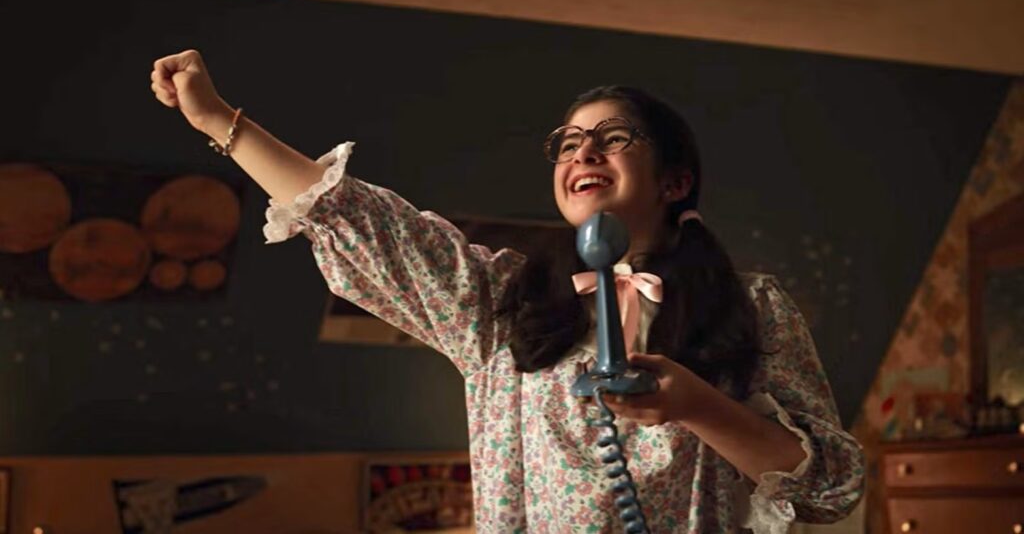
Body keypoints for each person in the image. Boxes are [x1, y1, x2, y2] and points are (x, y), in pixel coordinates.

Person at [150, 49, 864, 533]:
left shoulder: (755, 307)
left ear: (677, 182)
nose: (582, 152)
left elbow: (832, 486)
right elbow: (361, 222)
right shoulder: (498, 302)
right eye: (568, 143)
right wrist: (216, 119)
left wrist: (697, 406)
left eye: (613, 139)